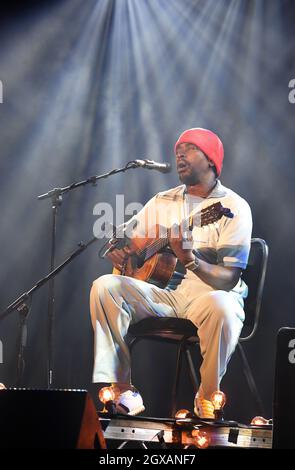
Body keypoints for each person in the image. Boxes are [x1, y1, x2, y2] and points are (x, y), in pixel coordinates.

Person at [89, 128, 252, 418]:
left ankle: (207, 399)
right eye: (178, 149)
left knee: (222, 306)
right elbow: (126, 237)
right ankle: (123, 390)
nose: (179, 153)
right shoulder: (163, 200)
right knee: (105, 286)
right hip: (167, 295)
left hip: (209, 296)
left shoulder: (231, 207)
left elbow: (229, 279)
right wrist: (117, 247)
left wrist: (190, 260)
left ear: (211, 160)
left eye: (190, 148)